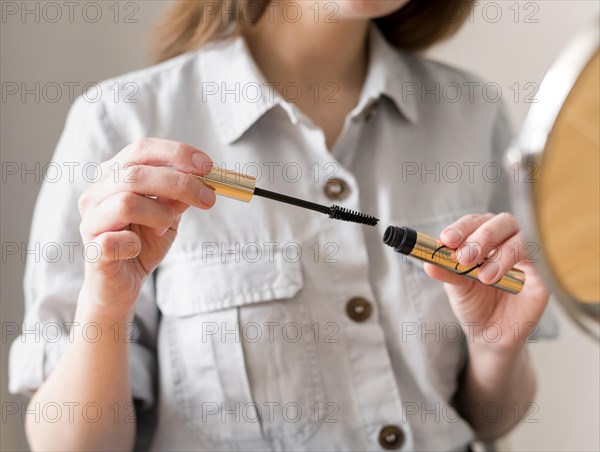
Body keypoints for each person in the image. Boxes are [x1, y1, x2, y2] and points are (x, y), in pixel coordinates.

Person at [9, 0, 557, 450]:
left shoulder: (473, 113)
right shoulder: (119, 123)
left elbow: (492, 420)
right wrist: (105, 305)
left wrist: (496, 346)